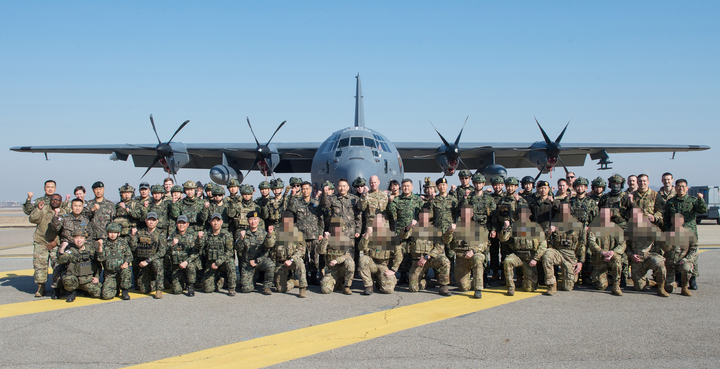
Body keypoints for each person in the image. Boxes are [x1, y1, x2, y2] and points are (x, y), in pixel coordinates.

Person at [662, 179, 706, 290]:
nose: (681, 188)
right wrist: (667, 231)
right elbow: (666, 217)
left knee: (691, 256)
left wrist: (701, 199)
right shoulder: (671, 202)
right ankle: (678, 279)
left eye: (683, 186)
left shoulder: (693, 201)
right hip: (674, 233)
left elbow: (702, 210)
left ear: (687, 188)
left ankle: (692, 279)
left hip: (689, 232)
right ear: (675, 188)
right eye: (678, 186)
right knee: (675, 254)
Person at [500, 206, 547, 295]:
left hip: (530, 258)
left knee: (529, 289)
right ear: (518, 214)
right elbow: (503, 239)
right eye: (521, 213)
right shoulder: (514, 226)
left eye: (525, 213)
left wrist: (535, 259)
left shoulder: (535, 226)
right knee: (507, 261)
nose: (523, 215)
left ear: (529, 214)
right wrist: (505, 228)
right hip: (517, 256)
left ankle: (530, 281)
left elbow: (543, 244)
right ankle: (510, 287)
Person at [405, 209, 452, 296]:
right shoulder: (413, 228)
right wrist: (408, 227)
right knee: (413, 288)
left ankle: (443, 286)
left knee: (444, 261)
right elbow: (403, 236)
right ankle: (426, 282)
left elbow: (440, 246)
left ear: (429, 217)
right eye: (421, 216)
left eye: (425, 217)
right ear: (419, 216)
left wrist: (427, 257)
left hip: (430, 259)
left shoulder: (434, 230)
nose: (423, 218)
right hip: (417, 261)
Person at [541, 203, 585, 295]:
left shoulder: (578, 225)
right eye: (561, 210)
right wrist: (548, 232)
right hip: (557, 252)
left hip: (570, 255)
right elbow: (543, 239)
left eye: (566, 210)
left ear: (570, 211)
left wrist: (581, 262)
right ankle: (552, 285)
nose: (563, 212)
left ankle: (565, 279)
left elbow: (582, 244)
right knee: (547, 255)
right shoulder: (553, 223)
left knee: (567, 287)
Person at [287, 181, 325, 286]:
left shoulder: (316, 203)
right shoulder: (297, 203)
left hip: (313, 234)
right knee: (303, 258)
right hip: (301, 235)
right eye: (303, 189)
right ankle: (305, 277)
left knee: (314, 257)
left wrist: (320, 232)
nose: (305, 191)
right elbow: (290, 209)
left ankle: (313, 277)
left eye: (307, 188)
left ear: (311, 190)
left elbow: (320, 219)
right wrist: (292, 196)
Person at [625, 208, 668, 297]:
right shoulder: (628, 230)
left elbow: (664, 244)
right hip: (637, 258)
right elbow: (626, 246)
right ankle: (650, 282)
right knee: (639, 287)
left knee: (659, 263)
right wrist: (631, 255)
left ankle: (661, 288)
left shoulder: (652, 228)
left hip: (649, 256)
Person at [447, 205, 488, 298]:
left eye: (468, 213)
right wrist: (449, 232)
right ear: (460, 214)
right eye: (463, 213)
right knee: (463, 287)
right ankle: (476, 281)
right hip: (461, 259)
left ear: (472, 214)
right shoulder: (455, 227)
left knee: (478, 258)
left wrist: (473, 251)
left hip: (473, 255)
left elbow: (484, 243)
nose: (465, 215)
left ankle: (478, 289)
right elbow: (446, 241)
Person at [29, 193, 65, 297]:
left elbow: (65, 230)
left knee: (58, 265)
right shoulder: (43, 209)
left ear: (61, 202)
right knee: (40, 265)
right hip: (41, 241)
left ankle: (58, 286)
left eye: (57, 200)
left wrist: (56, 242)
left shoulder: (64, 213)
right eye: (53, 199)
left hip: (55, 243)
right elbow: (32, 219)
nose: (55, 201)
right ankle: (41, 287)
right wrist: (38, 210)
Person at [357, 213, 402, 295]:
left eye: (380, 221)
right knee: (363, 259)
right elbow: (360, 248)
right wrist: (367, 235)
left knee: (388, 290)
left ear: (384, 221)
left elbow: (398, 255)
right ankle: (369, 286)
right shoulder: (369, 233)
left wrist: (393, 270)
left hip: (383, 265)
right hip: (372, 263)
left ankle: (379, 280)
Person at [587, 208, 626, 296]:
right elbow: (591, 243)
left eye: (606, 214)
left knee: (617, 259)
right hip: (599, 259)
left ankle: (616, 285)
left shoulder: (617, 228)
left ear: (611, 214)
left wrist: (612, 253)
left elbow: (622, 244)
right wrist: (603, 253)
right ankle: (608, 278)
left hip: (612, 257)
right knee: (601, 286)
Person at [237, 211, 276, 294]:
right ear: (248, 220)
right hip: (247, 262)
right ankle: (252, 280)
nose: (253, 222)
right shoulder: (242, 233)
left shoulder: (264, 233)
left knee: (271, 265)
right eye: (251, 219)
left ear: (259, 220)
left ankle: (267, 287)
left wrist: (257, 260)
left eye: (255, 219)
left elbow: (267, 251)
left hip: (260, 261)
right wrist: (241, 239)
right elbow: (238, 249)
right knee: (246, 289)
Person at [130, 212, 167, 299]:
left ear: (157, 221)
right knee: (144, 290)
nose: (151, 222)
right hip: (142, 261)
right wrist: (132, 236)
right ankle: (154, 282)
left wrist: (148, 260)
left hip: (153, 260)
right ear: (146, 221)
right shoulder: (140, 233)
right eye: (149, 220)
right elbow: (133, 248)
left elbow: (162, 252)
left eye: (153, 220)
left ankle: (159, 288)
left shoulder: (160, 233)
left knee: (157, 264)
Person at [58, 230, 101, 302]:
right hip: (75, 279)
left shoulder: (90, 250)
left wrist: (97, 277)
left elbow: (98, 265)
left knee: (97, 293)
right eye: (76, 238)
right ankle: (72, 293)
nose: (79, 240)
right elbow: (61, 260)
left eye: (81, 238)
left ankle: (86, 290)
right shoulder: (71, 251)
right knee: (67, 279)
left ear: (85, 239)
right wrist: (62, 248)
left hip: (88, 279)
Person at [272, 212, 308, 297]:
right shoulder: (276, 232)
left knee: (300, 263)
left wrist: (291, 259)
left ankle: (302, 288)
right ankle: (292, 282)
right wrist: (269, 235)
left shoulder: (298, 234)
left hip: (293, 261)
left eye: (290, 221)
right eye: (285, 220)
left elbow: (301, 250)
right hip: (281, 263)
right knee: (281, 289)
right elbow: (270, 247)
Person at [661, 213, 697, 296]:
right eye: (674, 220)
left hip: (682, 261)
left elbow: (694, 250)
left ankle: (684, 288)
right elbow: (660, 250)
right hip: (669, 263)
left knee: (687, 268)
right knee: (669, 289)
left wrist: (686, 259)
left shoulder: (689, 234)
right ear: (672, 221)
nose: (676, 222)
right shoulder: (666, 234)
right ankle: (675, 283)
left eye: (679, 220)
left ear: (683, 221)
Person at [200, 213, 236, 295]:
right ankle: (221, 281)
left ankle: (231, 287)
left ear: (221, 222)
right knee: (208, 289)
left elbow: (229, 252)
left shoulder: (227, 235)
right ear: (210, 222)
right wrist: (199, 239)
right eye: (213, 221)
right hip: (211, 262)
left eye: (218, 221)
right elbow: (200, 248)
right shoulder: (206, 234)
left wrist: (218, 262)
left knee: (230, 264)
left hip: (223, 262)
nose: (215, 223)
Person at [167, 215, 202, 296]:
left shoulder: (193, 235)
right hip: (177, 265)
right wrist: (172, 245)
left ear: (187, 224)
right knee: (177, 291)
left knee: (191, 266)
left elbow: (196, 252)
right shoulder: (172, 235)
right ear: (176, 224)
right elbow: (166, 252)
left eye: (184, 223)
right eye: (179, 223)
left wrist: (186, 262)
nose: (181, 225)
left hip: (188, 263)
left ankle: (190, 285)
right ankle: (183, 281)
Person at [97, 223, 133, 300]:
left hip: (121, 272)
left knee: (126, 270)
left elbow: (129, 255)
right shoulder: (104, 244)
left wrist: (126, 263)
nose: (112, 235)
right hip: (110, 274)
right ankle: (115, 287)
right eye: (110, 232)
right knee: (107, 296)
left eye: (115, 233)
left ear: (118, 233)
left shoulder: (123, 243)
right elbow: (100, 259)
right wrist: (100, 247)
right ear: (107, 233)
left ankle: (125, 291)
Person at [320, 217, 355, 295]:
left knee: (350, 262)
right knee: (325, 290)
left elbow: (349, 254)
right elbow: (320, 251)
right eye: (335, 226)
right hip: (332, 270)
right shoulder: (328, 239)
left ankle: (346, 286)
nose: (337, 229)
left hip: (343, 268)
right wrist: (325, 239)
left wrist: (337, 260)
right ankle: (337, 283)